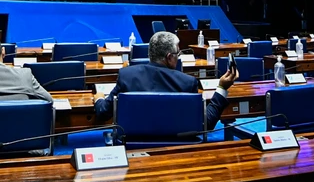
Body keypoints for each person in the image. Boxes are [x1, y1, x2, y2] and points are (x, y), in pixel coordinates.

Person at [94, 30, 236, 126]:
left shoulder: (127, 76)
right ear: (169, 57)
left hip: (134, 149)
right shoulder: (187, 83)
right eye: (177, 54)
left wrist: (99, 98)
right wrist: (222, 87)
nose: (178, 57)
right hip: (178, 150)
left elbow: (103, 112)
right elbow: (206, 123)